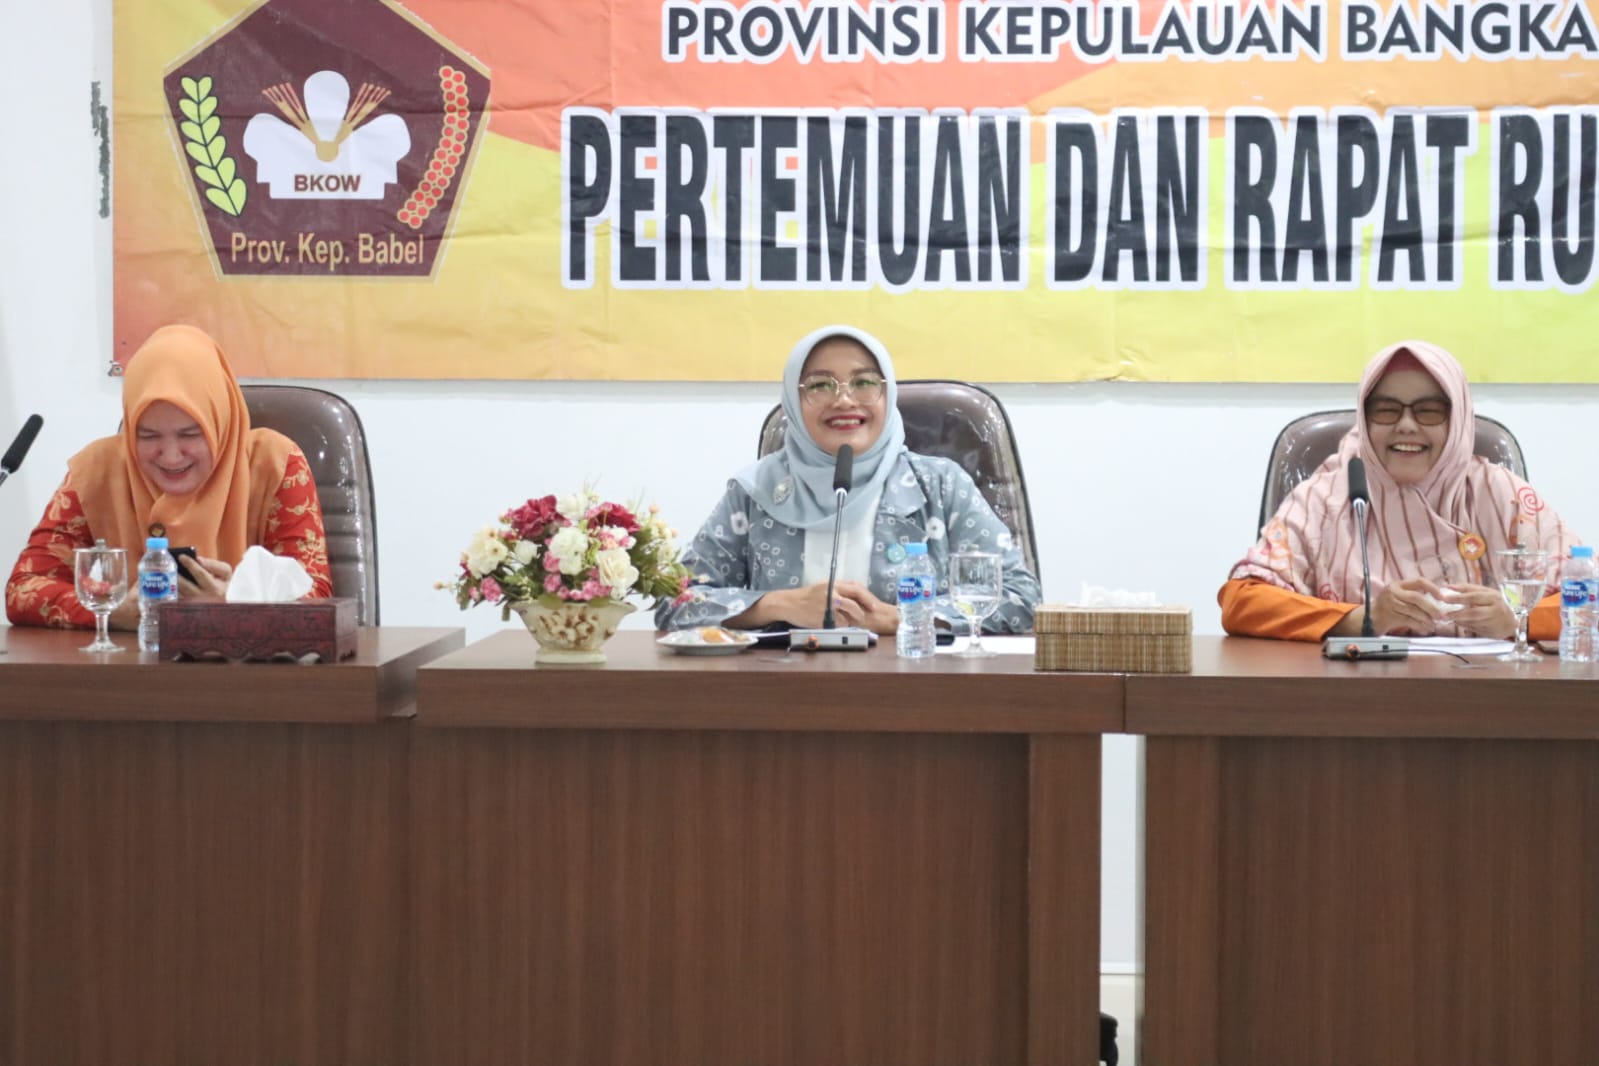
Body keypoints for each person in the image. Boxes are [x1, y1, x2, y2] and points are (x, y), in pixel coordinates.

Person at [657, 325, 1041, 635]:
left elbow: (1021, 597)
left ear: (887, 394)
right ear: (794, 400)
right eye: (820, 385)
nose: (843, 400)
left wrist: (905, 618)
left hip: (916, 692)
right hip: (780, 694)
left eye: (864, 382)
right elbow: (674, 601)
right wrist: (778, 604)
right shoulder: (755, 492)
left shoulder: (940, 486)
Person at [1221, 340, 1578, 641]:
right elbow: (1242, 601)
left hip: (1488, 695)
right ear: (1364, 418)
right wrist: (1364, 618)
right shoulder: (1325, 497)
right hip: (1354, 694)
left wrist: (1518, 620)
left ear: (1457, 420)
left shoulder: (1499, 492)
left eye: (1429, 411)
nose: (1406, 426)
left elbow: (1588, 597)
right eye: (1386, 410)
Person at [5, 324, 333, 629]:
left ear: (220, 424)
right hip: (130, 667)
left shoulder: (275, 464)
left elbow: (316, 598)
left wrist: (234, 603)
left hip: (249, 670)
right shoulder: (97, 472)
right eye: (148, 436)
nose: (171, 456)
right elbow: (24, 588)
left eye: (191, 434)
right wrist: (111, 610)